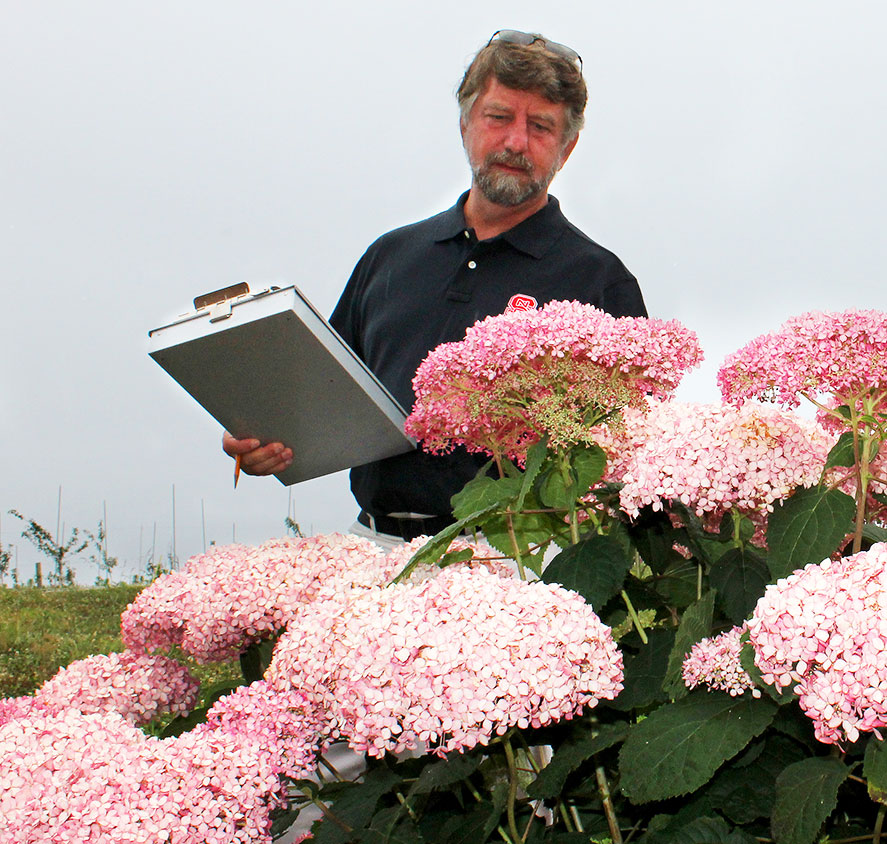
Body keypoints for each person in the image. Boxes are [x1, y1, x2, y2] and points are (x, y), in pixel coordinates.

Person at [223, 31, 646, 544]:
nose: (516, 142)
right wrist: (265, 433)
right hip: (372, 546)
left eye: (540, 126)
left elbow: (632, 447)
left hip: (515, 558)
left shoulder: (598, 281)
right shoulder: (390, 256)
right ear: (465, 122)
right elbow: (323, 393)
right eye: (499, 117)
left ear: (567, 147)